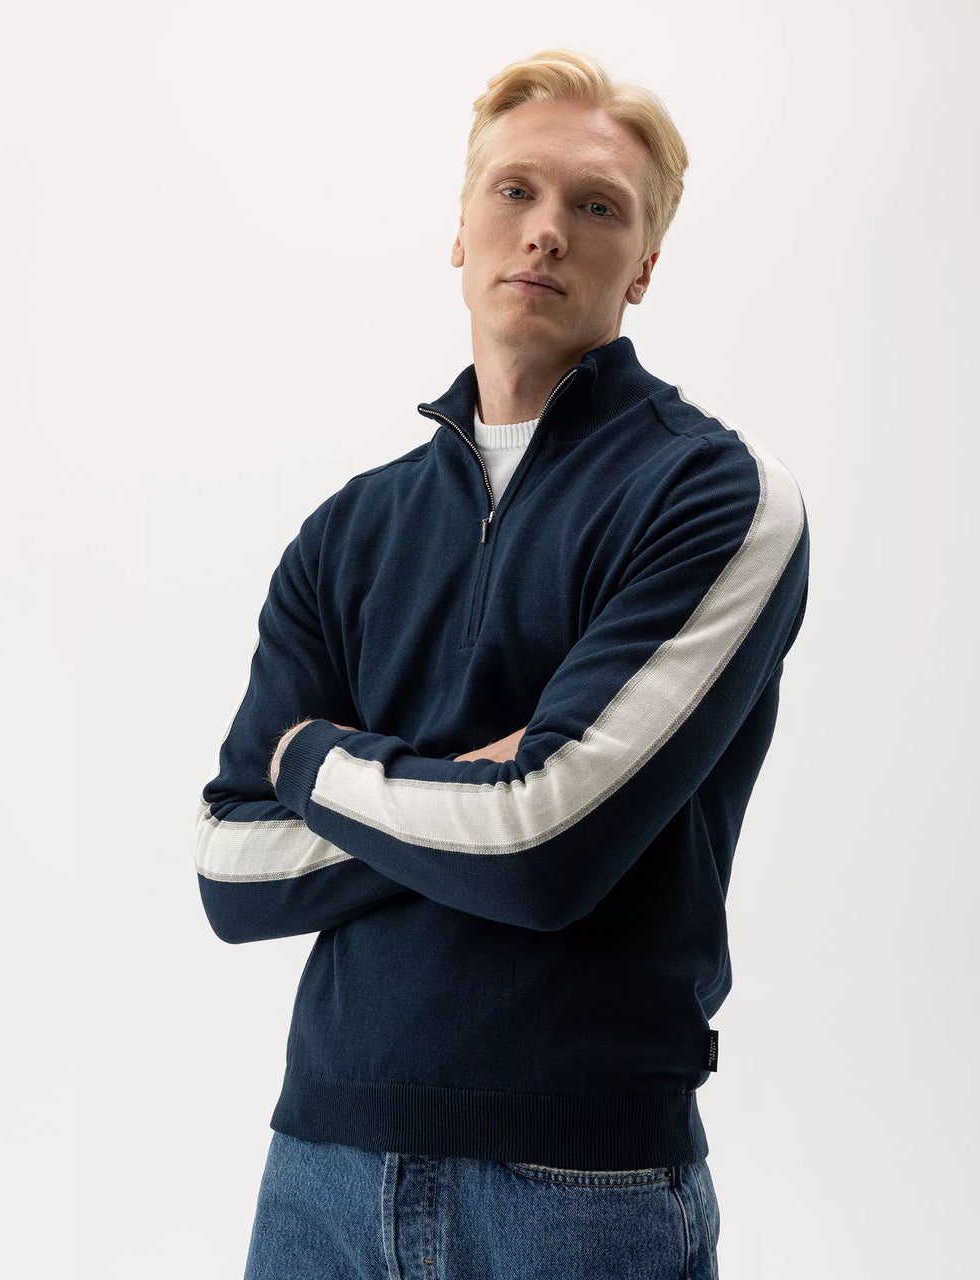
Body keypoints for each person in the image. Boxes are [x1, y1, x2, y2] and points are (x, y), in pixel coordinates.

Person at [195, 46, 810, 1280]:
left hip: (577, 1188)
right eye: (515, 193)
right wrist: (460, 789)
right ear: (460, 231)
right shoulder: (346, 530)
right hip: (319, 1160)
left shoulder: (718, 495)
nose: (544, 233)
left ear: (642, 265)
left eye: (596, 208)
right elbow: (226, 868)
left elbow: (546, 844)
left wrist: (313, 758)